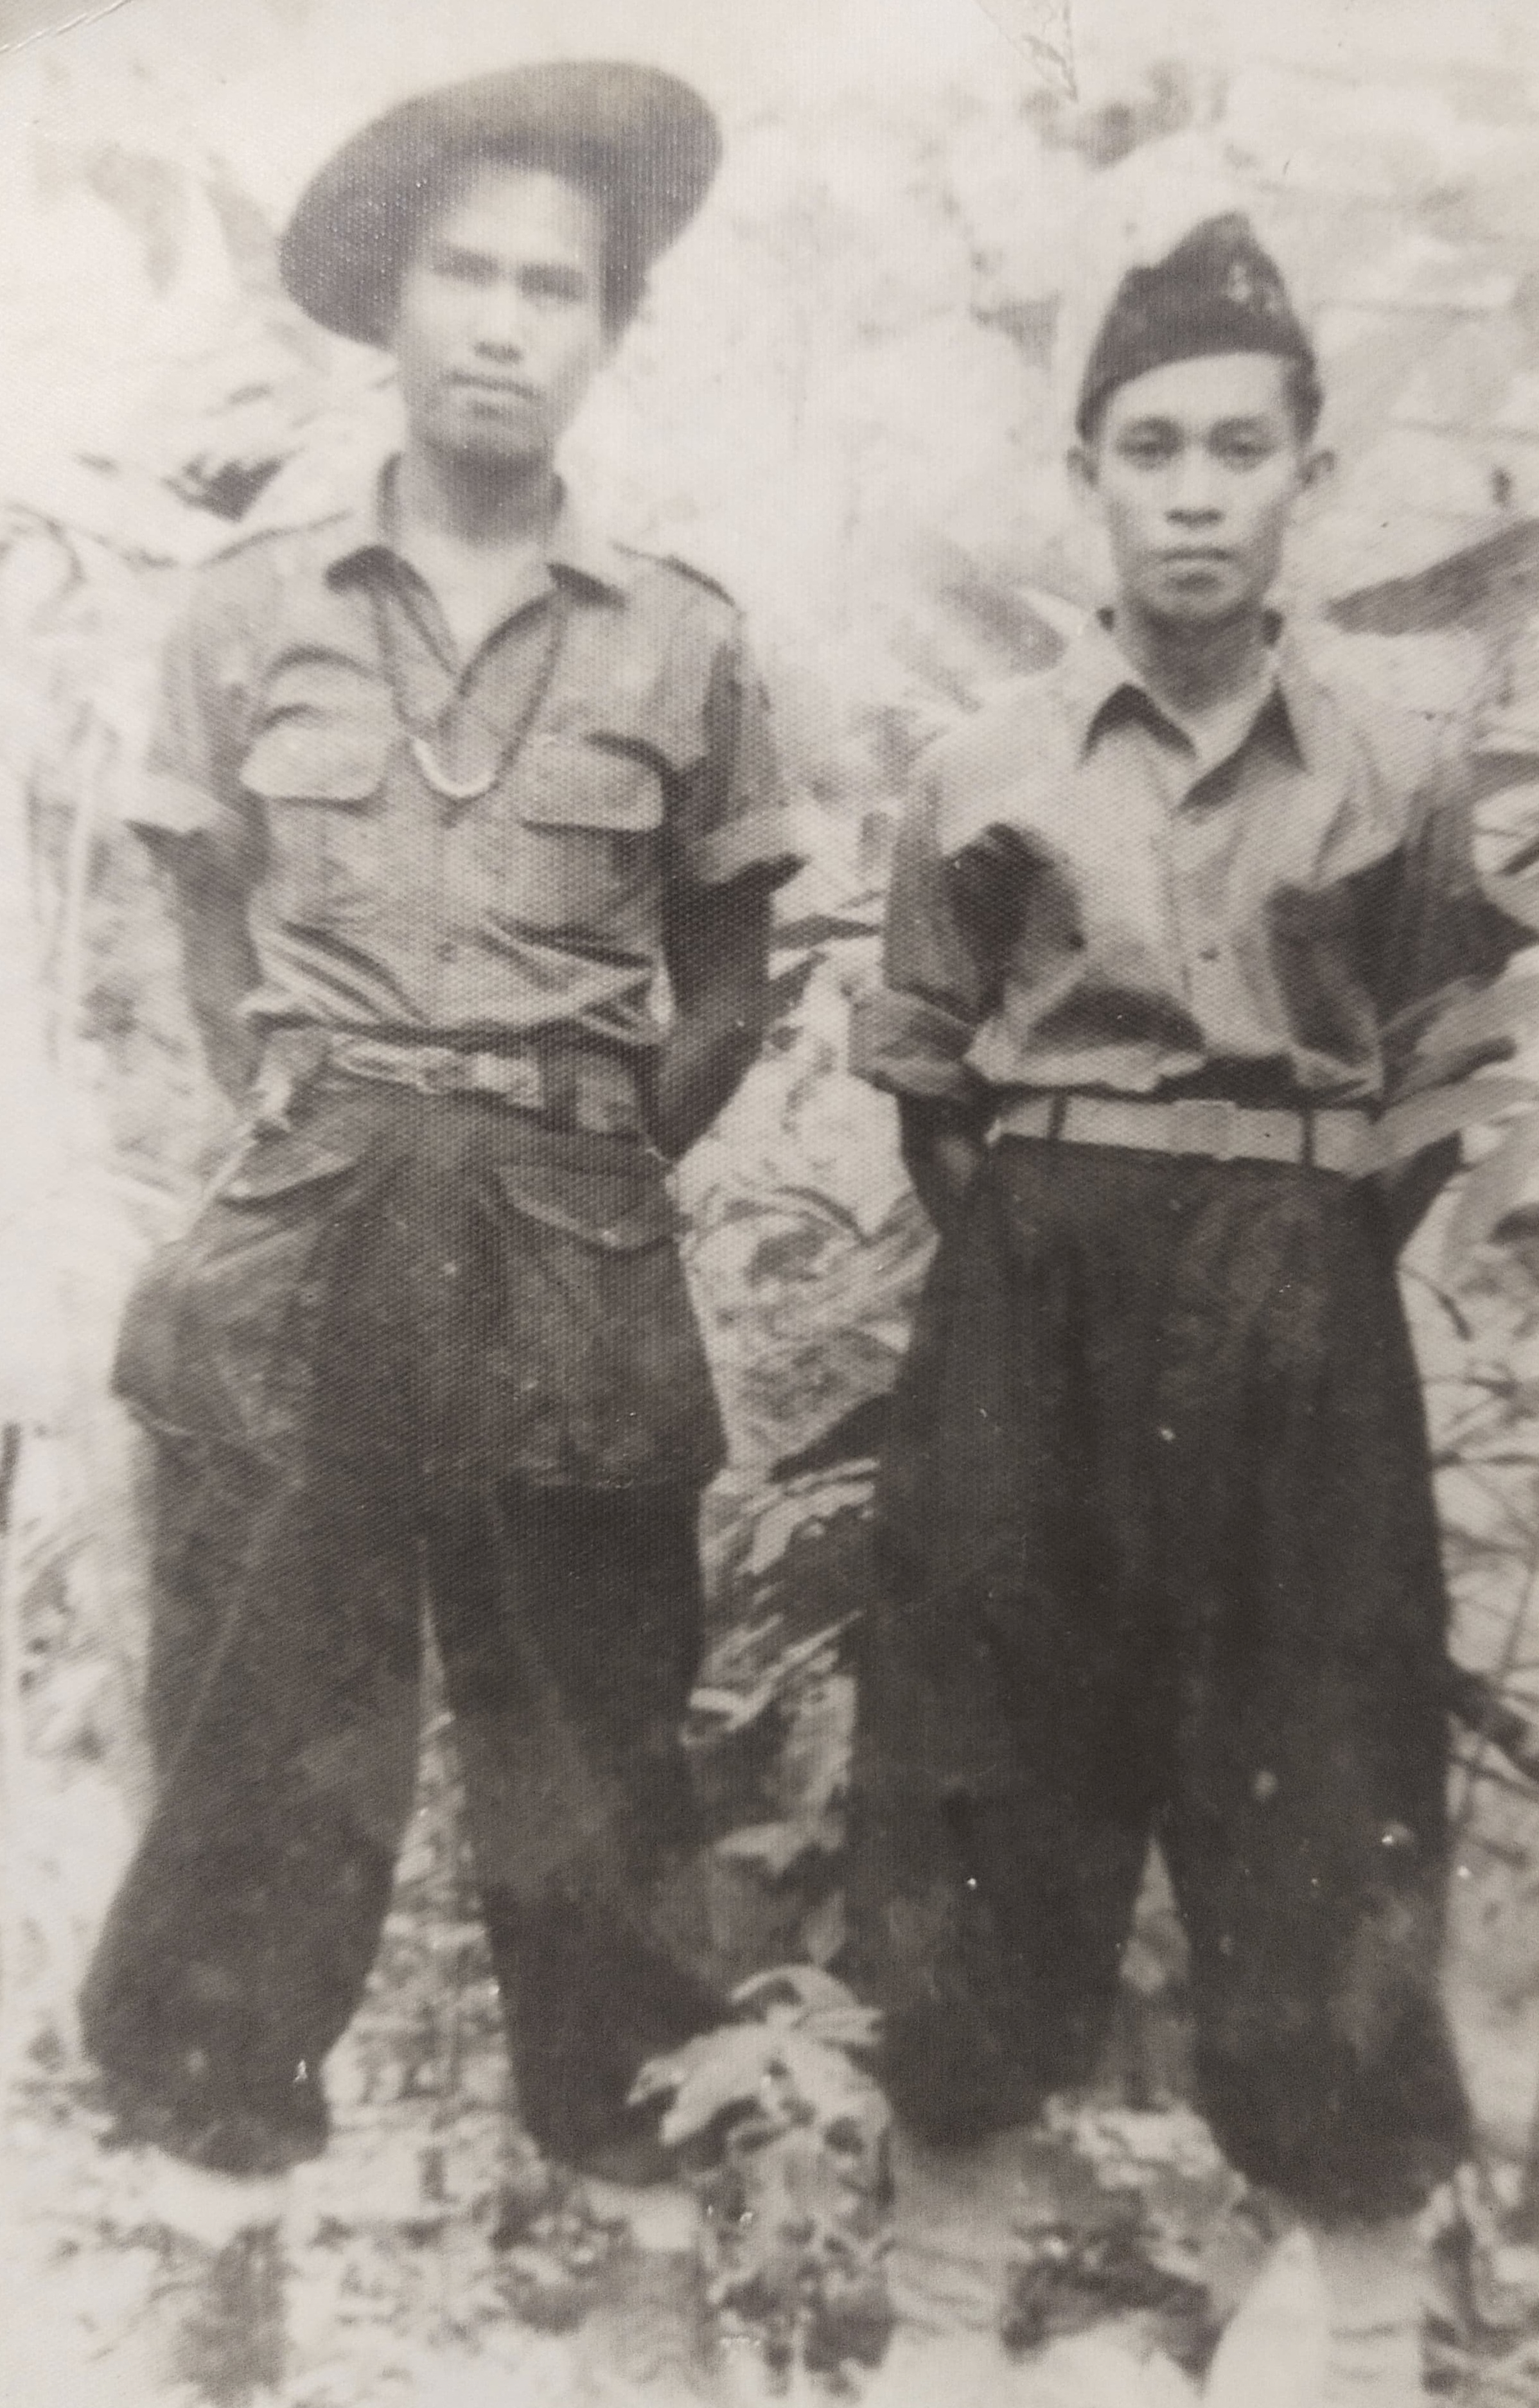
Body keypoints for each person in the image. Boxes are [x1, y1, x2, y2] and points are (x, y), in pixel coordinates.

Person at [81, 56, 796, 2304]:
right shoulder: (246, 612)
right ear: (388, 307)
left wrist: (582, 1149)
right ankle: (217, 2167)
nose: (501, 323)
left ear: (609, 328)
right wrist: (315, 1122)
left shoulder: (681, 637)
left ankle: (628, 2166)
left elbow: (730, 973)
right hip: (313, 1208)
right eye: (462, 275)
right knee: (268, 1699)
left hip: (568, 1219)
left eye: (552, 287)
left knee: (590, 1709)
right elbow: (203, 921)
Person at [847, 214, 1536, 2405]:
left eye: (1241, 447)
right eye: (1150, 448)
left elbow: (1424, 1081)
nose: (1195, 492)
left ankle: (1357, 2340)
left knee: (1327, 1799)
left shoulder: (1393, 771)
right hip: (1031, 1309)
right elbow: (935, 1091)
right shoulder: (982, 769)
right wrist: (1072, 1245)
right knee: (979, 1778)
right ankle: (941, 2328)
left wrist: (1277, 1250)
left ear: (1306, 475)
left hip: (1298, 1324)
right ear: (1088, 475)